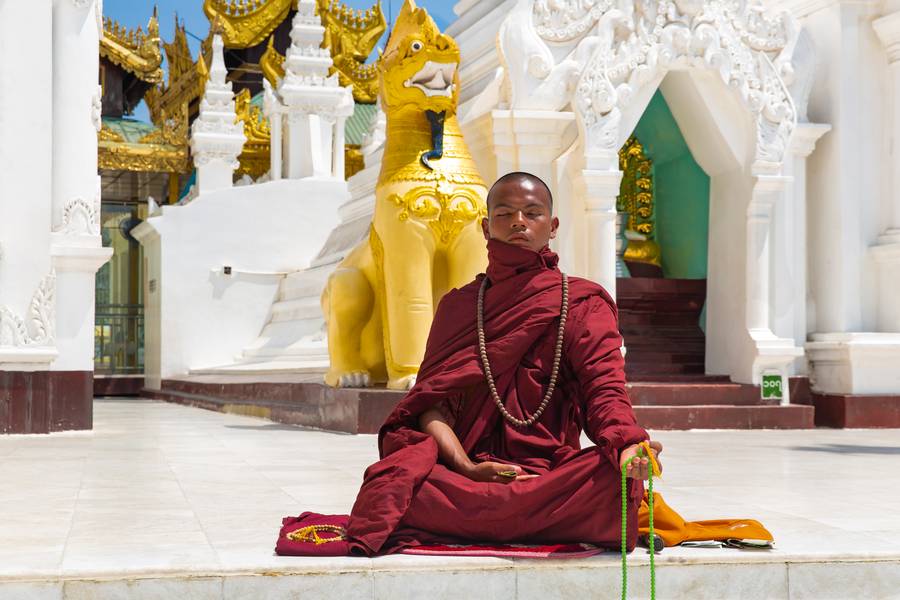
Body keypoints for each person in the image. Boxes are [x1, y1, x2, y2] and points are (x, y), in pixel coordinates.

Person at [337, 171, 663, 556]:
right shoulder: (459, 306)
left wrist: (626, 444)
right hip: (465, 475)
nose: (519, 222)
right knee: (395, 480)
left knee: (611, 479)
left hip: (549, 476)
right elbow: (430, 406)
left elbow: (604, 389)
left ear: (553, 225)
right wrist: (466, 468)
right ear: (485, 226)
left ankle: (491, 517)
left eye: (532, 212)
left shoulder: (582, 303)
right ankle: (535, 518)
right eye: (505, 213)